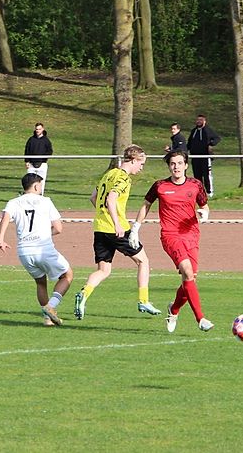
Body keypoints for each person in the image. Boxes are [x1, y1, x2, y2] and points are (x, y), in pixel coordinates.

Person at [73, 144, 161, 319]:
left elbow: (93, 197)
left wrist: (104, 215)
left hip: (100, 228)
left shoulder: (109, 174)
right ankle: (143, 300)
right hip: (116, 229)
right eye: (141, 164)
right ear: (133, 160)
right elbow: (111, 199)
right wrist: (116, 223)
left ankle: (84, 293)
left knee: (104, 270)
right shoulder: (123, 178)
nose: (141, 168)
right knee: (143, 261)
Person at [134, 149, 214, 332]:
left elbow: (204, 206)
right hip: (170, 235)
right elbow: (146, 204)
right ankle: (200, 318)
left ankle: (174, 309)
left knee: (190, 277)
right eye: (172, 164)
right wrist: (136, 228)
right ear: (169, 166)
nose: (176, 167)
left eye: (179, 163)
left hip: (192, 235)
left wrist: (205, 214)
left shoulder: (195, 185)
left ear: (185, 165)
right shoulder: (160, 186)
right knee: (187, 271)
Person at [0, 173, 73, 326]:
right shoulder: (46, 201)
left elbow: (5, 218)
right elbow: (58, 228)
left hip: (24, 252)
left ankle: (47, 319)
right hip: (43, 248)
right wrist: (45, 233)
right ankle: (51, 306)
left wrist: (1, 239)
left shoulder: (13, 202)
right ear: (36, 186)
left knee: (40, 283)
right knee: (67, 276)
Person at [187, 114, 221, 197]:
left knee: (206, 175)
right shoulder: (194, 131)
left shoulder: (207, 130)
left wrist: (211, 144)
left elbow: (217, 138)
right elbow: (189, 143)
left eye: (201, 120)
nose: (199, 121)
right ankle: (200, 192)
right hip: (195, 157)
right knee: (197, 175)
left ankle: (209, 192)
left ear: (204, 121)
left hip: (205, 157)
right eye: (198, 120)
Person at [24, 122, 53, 194]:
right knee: (30, 182)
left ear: (42, 129)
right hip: (31, 164)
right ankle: (29, 196)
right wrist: (27, 161)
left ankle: (40, 196)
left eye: (39, 129)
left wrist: (43, 159)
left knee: (41, 182)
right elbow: (27, 150)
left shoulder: (46, 140)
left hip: (42, 164)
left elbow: (49, 151)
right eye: (37, 129)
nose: (38, 131)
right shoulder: (31, 139)